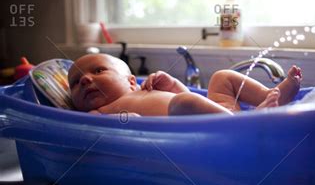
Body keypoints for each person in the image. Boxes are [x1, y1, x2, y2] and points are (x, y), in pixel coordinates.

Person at [67, 54, 302, 116]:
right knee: (182, 103)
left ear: (131, 81)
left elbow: (191, 98)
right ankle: (247, 121)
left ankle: (271, 95)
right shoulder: (100, 112)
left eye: (98, 71)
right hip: (205, 127)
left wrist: (173, 84)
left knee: (222, 77)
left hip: (215, 114)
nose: (86, 80)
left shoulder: (145, 89)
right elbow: (99, 130)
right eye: (76, 83)